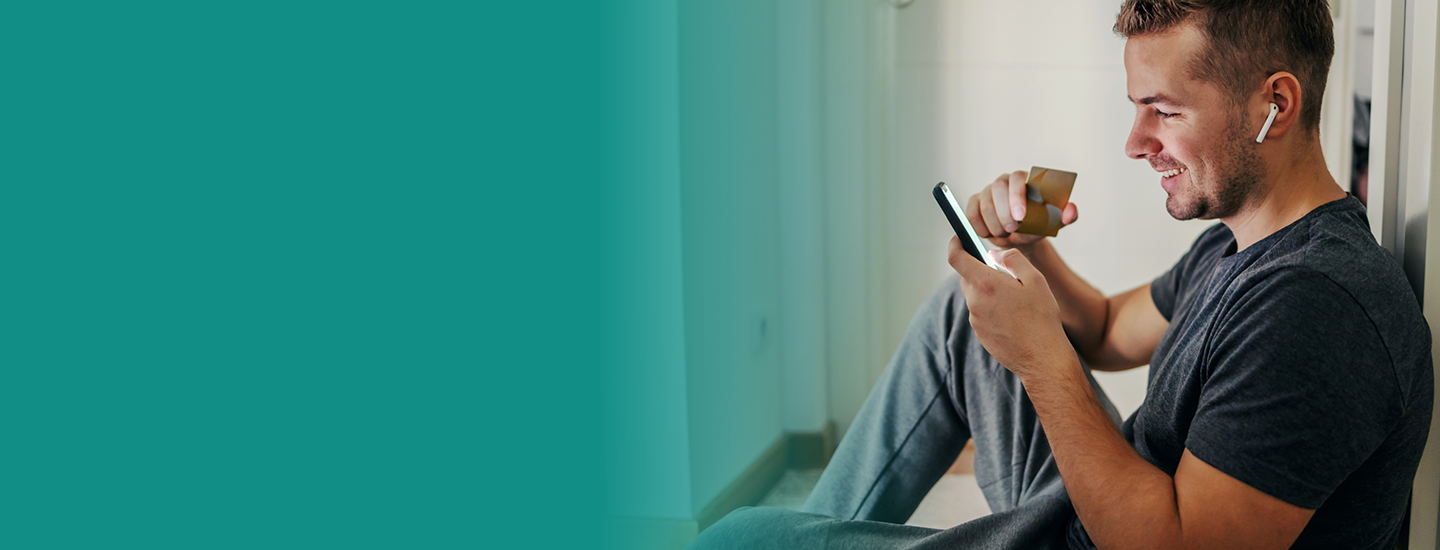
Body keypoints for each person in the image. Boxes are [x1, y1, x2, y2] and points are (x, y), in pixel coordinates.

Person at [685, 1, 1433, 549]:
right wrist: (1030, 252)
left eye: (1161, 110)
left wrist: (1040, 356)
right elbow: (1108, 329)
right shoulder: (1239, 245)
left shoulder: (1316, 308)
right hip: (1092, 512)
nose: (1135, 142)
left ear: (1275, 104)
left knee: (740, 536)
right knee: (964, 318)